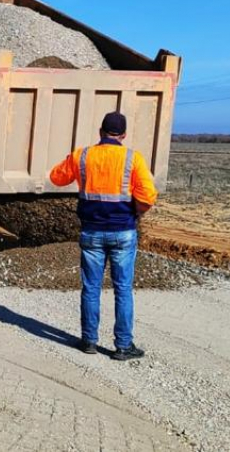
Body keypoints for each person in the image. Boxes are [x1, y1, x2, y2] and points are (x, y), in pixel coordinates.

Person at [49, 112, 158, 361]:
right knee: (123, 289)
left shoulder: (83, 155)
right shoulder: (133, 158)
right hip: (123, 233)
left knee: (90, 288)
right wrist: (136, 213)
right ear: (123, 135)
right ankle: (123, 346)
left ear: (101, 132)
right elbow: (148, 196)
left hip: (92, 232)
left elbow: (56, 177)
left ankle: (88, 340)